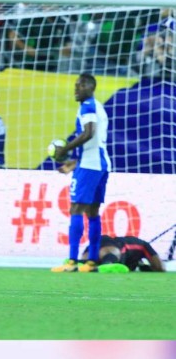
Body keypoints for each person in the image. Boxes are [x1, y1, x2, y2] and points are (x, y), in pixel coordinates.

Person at [51, 73, 111, 273]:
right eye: (75, 85)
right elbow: (94, 142)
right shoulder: (99, 107)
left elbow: (89, 133)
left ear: (91, 87)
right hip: (101, 165)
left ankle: (72, 261)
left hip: (89, 166)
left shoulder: (87, 107)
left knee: (76, 210)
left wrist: (66, 148)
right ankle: (92, 261)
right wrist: (74, 163)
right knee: (93, 213)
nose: (76, 89)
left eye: (80, 85)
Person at [80, 235, 166, 272]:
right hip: (114, 249)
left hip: (97, 244)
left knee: (86, 260)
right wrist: (150, 268)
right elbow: (160, 268)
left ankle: (80, 264)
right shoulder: (141, 245)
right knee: (111, 251)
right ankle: (107, 263)